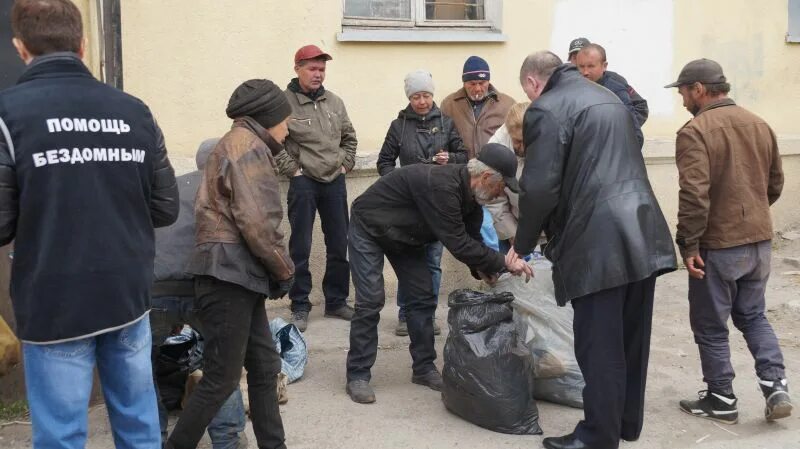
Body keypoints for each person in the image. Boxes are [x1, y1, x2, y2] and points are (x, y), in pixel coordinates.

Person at [0, 1, 179, 447]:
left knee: (61, 436)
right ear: (82, 45)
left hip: (55, 303)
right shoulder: (134, 111)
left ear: (21, 48)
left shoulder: (8, 114)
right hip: (127, 295)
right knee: (139, 424)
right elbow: (165, 208)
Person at [511, 51, 676, 449]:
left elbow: (539, 188)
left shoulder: (547, 109)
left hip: (597, 238)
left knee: (598, 344)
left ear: (534, 83)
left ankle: (598, 437)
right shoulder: (609, 97)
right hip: (643, 226)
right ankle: (624, 423)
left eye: (528, 93)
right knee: (631, 336)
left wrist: (522, 245)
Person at [345, 144, 533, 404]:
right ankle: (357, 374)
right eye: (501, 187)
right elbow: (457, 243)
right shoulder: (442, 186)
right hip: (370, 226)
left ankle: (423, 368)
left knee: (422, 297)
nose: (500, 194)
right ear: (487, 178)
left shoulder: (472, 197)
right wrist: (504, 262)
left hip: (406, 236)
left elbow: (471, 237)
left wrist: (484, 268)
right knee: (370, 301)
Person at [168, 79, 294, 449]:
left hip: (236, 274)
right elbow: (258, 221)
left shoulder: (239, 142)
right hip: (229, 274)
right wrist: (283, 268)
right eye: (285, 120)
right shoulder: (248, 148)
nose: (287, 129)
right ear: (269, 118)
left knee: (265, 366)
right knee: (221, 378)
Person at [665, 59, 792, 424]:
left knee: (710, 325)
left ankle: (721, 398)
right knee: (753, 315)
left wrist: (688, 246)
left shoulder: (695, 131)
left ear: (700, 89)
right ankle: (776, 385)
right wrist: (749, 214)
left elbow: (694, 194)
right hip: (758, 241)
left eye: (684, 92)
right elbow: (775, 183)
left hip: (718, 247)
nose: (682, 99)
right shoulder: (759, 123)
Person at [150, 138, 248, 448]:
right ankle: (228, 437)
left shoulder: (171, 188)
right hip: (204, 286)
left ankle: (152, 437)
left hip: (154, 287)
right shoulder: (230, 190)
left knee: (141, 366)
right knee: (222, 363)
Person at [376, 69, 468, 337]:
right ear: (409, 98)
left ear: (432, 95)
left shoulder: (447, 123)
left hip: (440, 203)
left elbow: (463, 156)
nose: (422, 101)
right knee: (408, 260)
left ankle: (427, 314)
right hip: (409, 205)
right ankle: (405, 315)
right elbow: (384, 162)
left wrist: (449, 159)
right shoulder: (399, 126)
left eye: (426, 95)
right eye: (416, 96)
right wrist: (400, 183)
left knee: (433, 262)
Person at [275, 45, 357, 332]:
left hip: (335, 181)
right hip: (304, 183)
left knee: (339, 244)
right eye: (312, 68)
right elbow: (274, 143)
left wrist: (345, 166)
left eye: (322, 69)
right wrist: (294, 172)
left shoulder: (335, 102)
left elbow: (349, 138)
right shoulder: (283, 104)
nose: (318, 74)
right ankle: (300, 304)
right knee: (301, 246)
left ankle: (336, 301)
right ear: (297, 68)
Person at [440, 56, 515, 159]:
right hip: (459, 170)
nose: (477, 88)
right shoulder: (449, 104)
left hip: (495, 170)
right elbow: (442, 140)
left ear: (488, 81)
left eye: (482, 83)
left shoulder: (508, 104)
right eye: (472, 84)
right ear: (464, 83)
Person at [568, 37, 649, 126]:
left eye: (590, 64)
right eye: (575, 58)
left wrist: (619, 130)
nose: (585, 70)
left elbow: (640, 107)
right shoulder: (565, 84)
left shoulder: (615, 82)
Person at [576, 44, 644, 147]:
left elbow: (633, 132)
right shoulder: (573, 89)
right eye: (581, 67)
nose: (585, 72)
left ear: (604, 66)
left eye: (591, 66)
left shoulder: (616, 91)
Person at [485, 101, 530, 254]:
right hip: (512, 220)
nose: (523, 148)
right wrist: (511, 232)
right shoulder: (496, 148)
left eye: (527, 141)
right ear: (509, 133)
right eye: (517, 141)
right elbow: (494, 199)